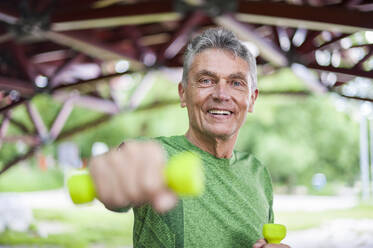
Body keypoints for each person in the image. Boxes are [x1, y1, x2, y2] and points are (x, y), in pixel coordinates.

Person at [89, 28, 290, 248]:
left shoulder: (258, 172)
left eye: (236, 83)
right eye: (206, 80)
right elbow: (123, 175)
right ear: (183, 93)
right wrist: (111, 176)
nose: (221, 94)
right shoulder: (156, 156)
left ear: (251, 99)